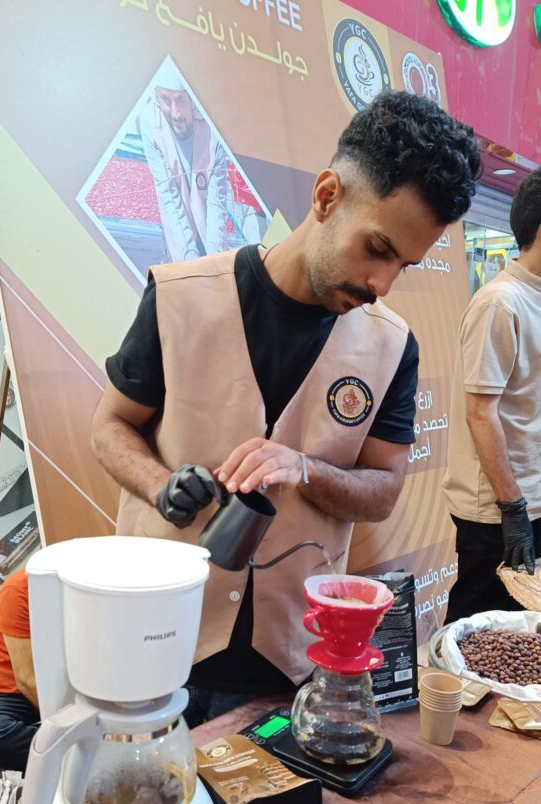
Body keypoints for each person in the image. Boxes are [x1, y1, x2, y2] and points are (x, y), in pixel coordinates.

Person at [91, 90, 481, 726]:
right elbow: (110, 426)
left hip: (291, 664)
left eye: (403, 266)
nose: (382, 285)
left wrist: (305, 469)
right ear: (327, 196)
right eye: (377, 248)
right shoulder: (179, 297)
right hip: (157, 641)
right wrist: (161, 485)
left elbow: (384, 490)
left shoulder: (392, 347)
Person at [443, 168, 541, 623]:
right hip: (497, 510)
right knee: (477, 629)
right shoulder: (500, 303)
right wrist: (512, 508)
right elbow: (481, 414)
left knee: (522, 631)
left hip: (531, 499)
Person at [139, 64, 229, 262]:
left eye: (180, 100)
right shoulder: (149, 121)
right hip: (180, 239)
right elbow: (169, 196)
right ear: (156, 98)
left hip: (211, 235)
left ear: (192, 100)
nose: (175, 113)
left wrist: (214, 260)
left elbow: (217, 199)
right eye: (165, 99)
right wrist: (189, 257)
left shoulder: (213, 120)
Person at [0, 569, 40, 772]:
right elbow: (26, 680)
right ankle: (84, 750)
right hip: (8, 693)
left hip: (61, 684)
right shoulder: (19, 589)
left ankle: (77, 749)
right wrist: (69, 727)